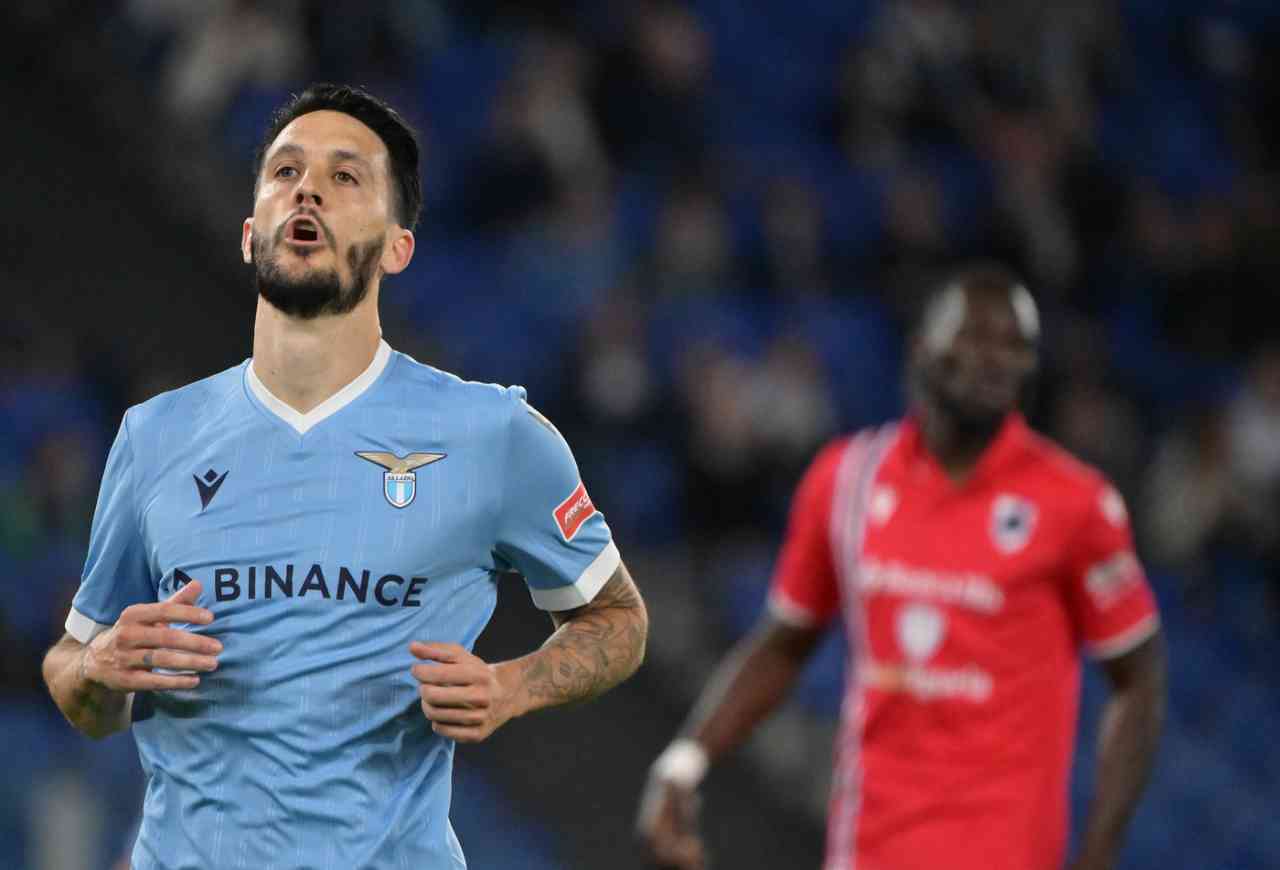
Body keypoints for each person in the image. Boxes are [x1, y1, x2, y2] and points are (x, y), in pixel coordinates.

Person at [41, 83, 648, 869]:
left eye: (345, 176)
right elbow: (78, 679)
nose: (308, 190)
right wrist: (97, 668)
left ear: (397, 246)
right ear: (251, 233)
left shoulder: (492, 433)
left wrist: (515, 686)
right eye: (285, 171)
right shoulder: (154, 435)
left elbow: (618, 619)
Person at [639, 264, 1166, 870]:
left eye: (1016, 345)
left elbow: (1139, 678)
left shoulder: (1075, 504)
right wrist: (686, 762)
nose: (996, 359)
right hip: (870, 847)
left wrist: (1099, 853)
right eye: (974, 337)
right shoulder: (847, 480)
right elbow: (785, 643)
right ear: (922, 349)